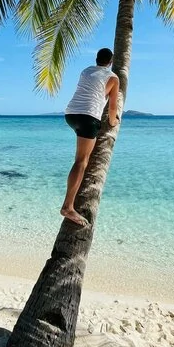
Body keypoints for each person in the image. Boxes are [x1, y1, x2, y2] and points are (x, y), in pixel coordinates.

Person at [61, 48, 119, 226]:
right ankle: (68, 207)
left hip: (71, 115)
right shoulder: (113, 78)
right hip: (88, 118)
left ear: (96, 59)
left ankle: (70, 200)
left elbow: (91, 93)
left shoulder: (86, 71)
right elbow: (112, 108)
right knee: (81, 161)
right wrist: (113, 122)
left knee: (82, 157)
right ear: (110, 62)